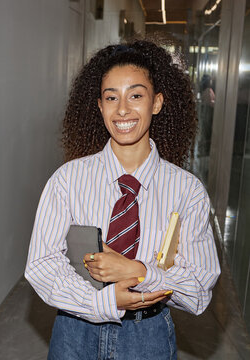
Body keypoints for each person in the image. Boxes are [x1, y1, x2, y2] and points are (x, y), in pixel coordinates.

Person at [25, 38, 220, 359]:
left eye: (136, 95)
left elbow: (198, 291)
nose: (123, 109)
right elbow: (41, 265)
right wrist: (103, 302)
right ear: (99, 106)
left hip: (149, 336)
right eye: (111, 97)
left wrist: (138, 271)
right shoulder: (68, 180)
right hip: (76, 330)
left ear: (156, 102)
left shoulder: (187, 190)